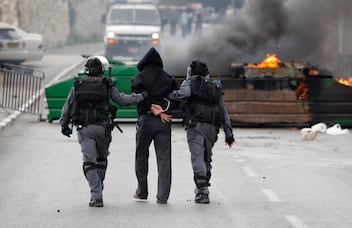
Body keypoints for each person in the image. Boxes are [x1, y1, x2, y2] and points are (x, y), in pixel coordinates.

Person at [60, 56, 147, 208]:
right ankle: (98, 189)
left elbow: (67, 106)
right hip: (103, 129)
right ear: (101, 71)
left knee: (89, 163)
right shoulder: (107, 85)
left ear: (87, 72)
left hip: (84, 129)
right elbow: (122, 100)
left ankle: (96, 195)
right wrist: (141, 97)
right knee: (101, 161)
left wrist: (64, 124)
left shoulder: (78, 86)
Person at [160, 59, 235, 204]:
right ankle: (203, 187)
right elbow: (224, 111)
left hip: (195, 127)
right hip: (212, 129)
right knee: (207, 158)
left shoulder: (190, 84)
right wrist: (229, 134)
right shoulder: (215, 87)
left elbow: (180, 95)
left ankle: (202, 191)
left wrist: (165, 93)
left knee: (197, 158)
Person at [130, 47, 178, 204]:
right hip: (164, 121)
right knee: (164, 159)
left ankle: (142, 191)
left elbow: (139, 95)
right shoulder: (168, 78)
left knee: (141, 155)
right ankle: (162, 196)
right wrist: (165, 110)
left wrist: (150, 107)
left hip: (146, 120)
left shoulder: (139, 78)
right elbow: (177, 98)